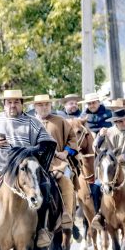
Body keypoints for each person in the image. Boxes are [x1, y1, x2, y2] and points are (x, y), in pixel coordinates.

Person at [0, 89, 57, 247]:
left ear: (22, 104)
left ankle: (41, 230)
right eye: (9, 102)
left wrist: (29, 151)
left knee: (46, 188)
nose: (13, 105)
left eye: (16, 102)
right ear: (4, 104)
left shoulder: (33, 122)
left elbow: (48, 144)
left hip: (24, 170)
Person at [29, 95, 79, 234]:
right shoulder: (29, 122)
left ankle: (67, 215)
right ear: (35, 107)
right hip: (35, 163)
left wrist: (66, 152)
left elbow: (72, 138)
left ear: (51, 106)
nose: (44, 107)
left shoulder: (60, 121)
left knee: (66, 180)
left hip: (58, 162)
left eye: (46, 104)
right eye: (40, 105)